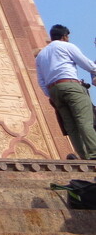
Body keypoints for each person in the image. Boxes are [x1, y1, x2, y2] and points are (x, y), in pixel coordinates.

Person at [35, 24, 96, 160]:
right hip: (71, 86)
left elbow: (40, 80)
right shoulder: (66, 46)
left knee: (71, 127)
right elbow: (86, 64)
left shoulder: (41, 55)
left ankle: (84, 156)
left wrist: (50, 94)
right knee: (84, 121)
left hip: (54, 91)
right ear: (64, 36)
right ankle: (94, 154)